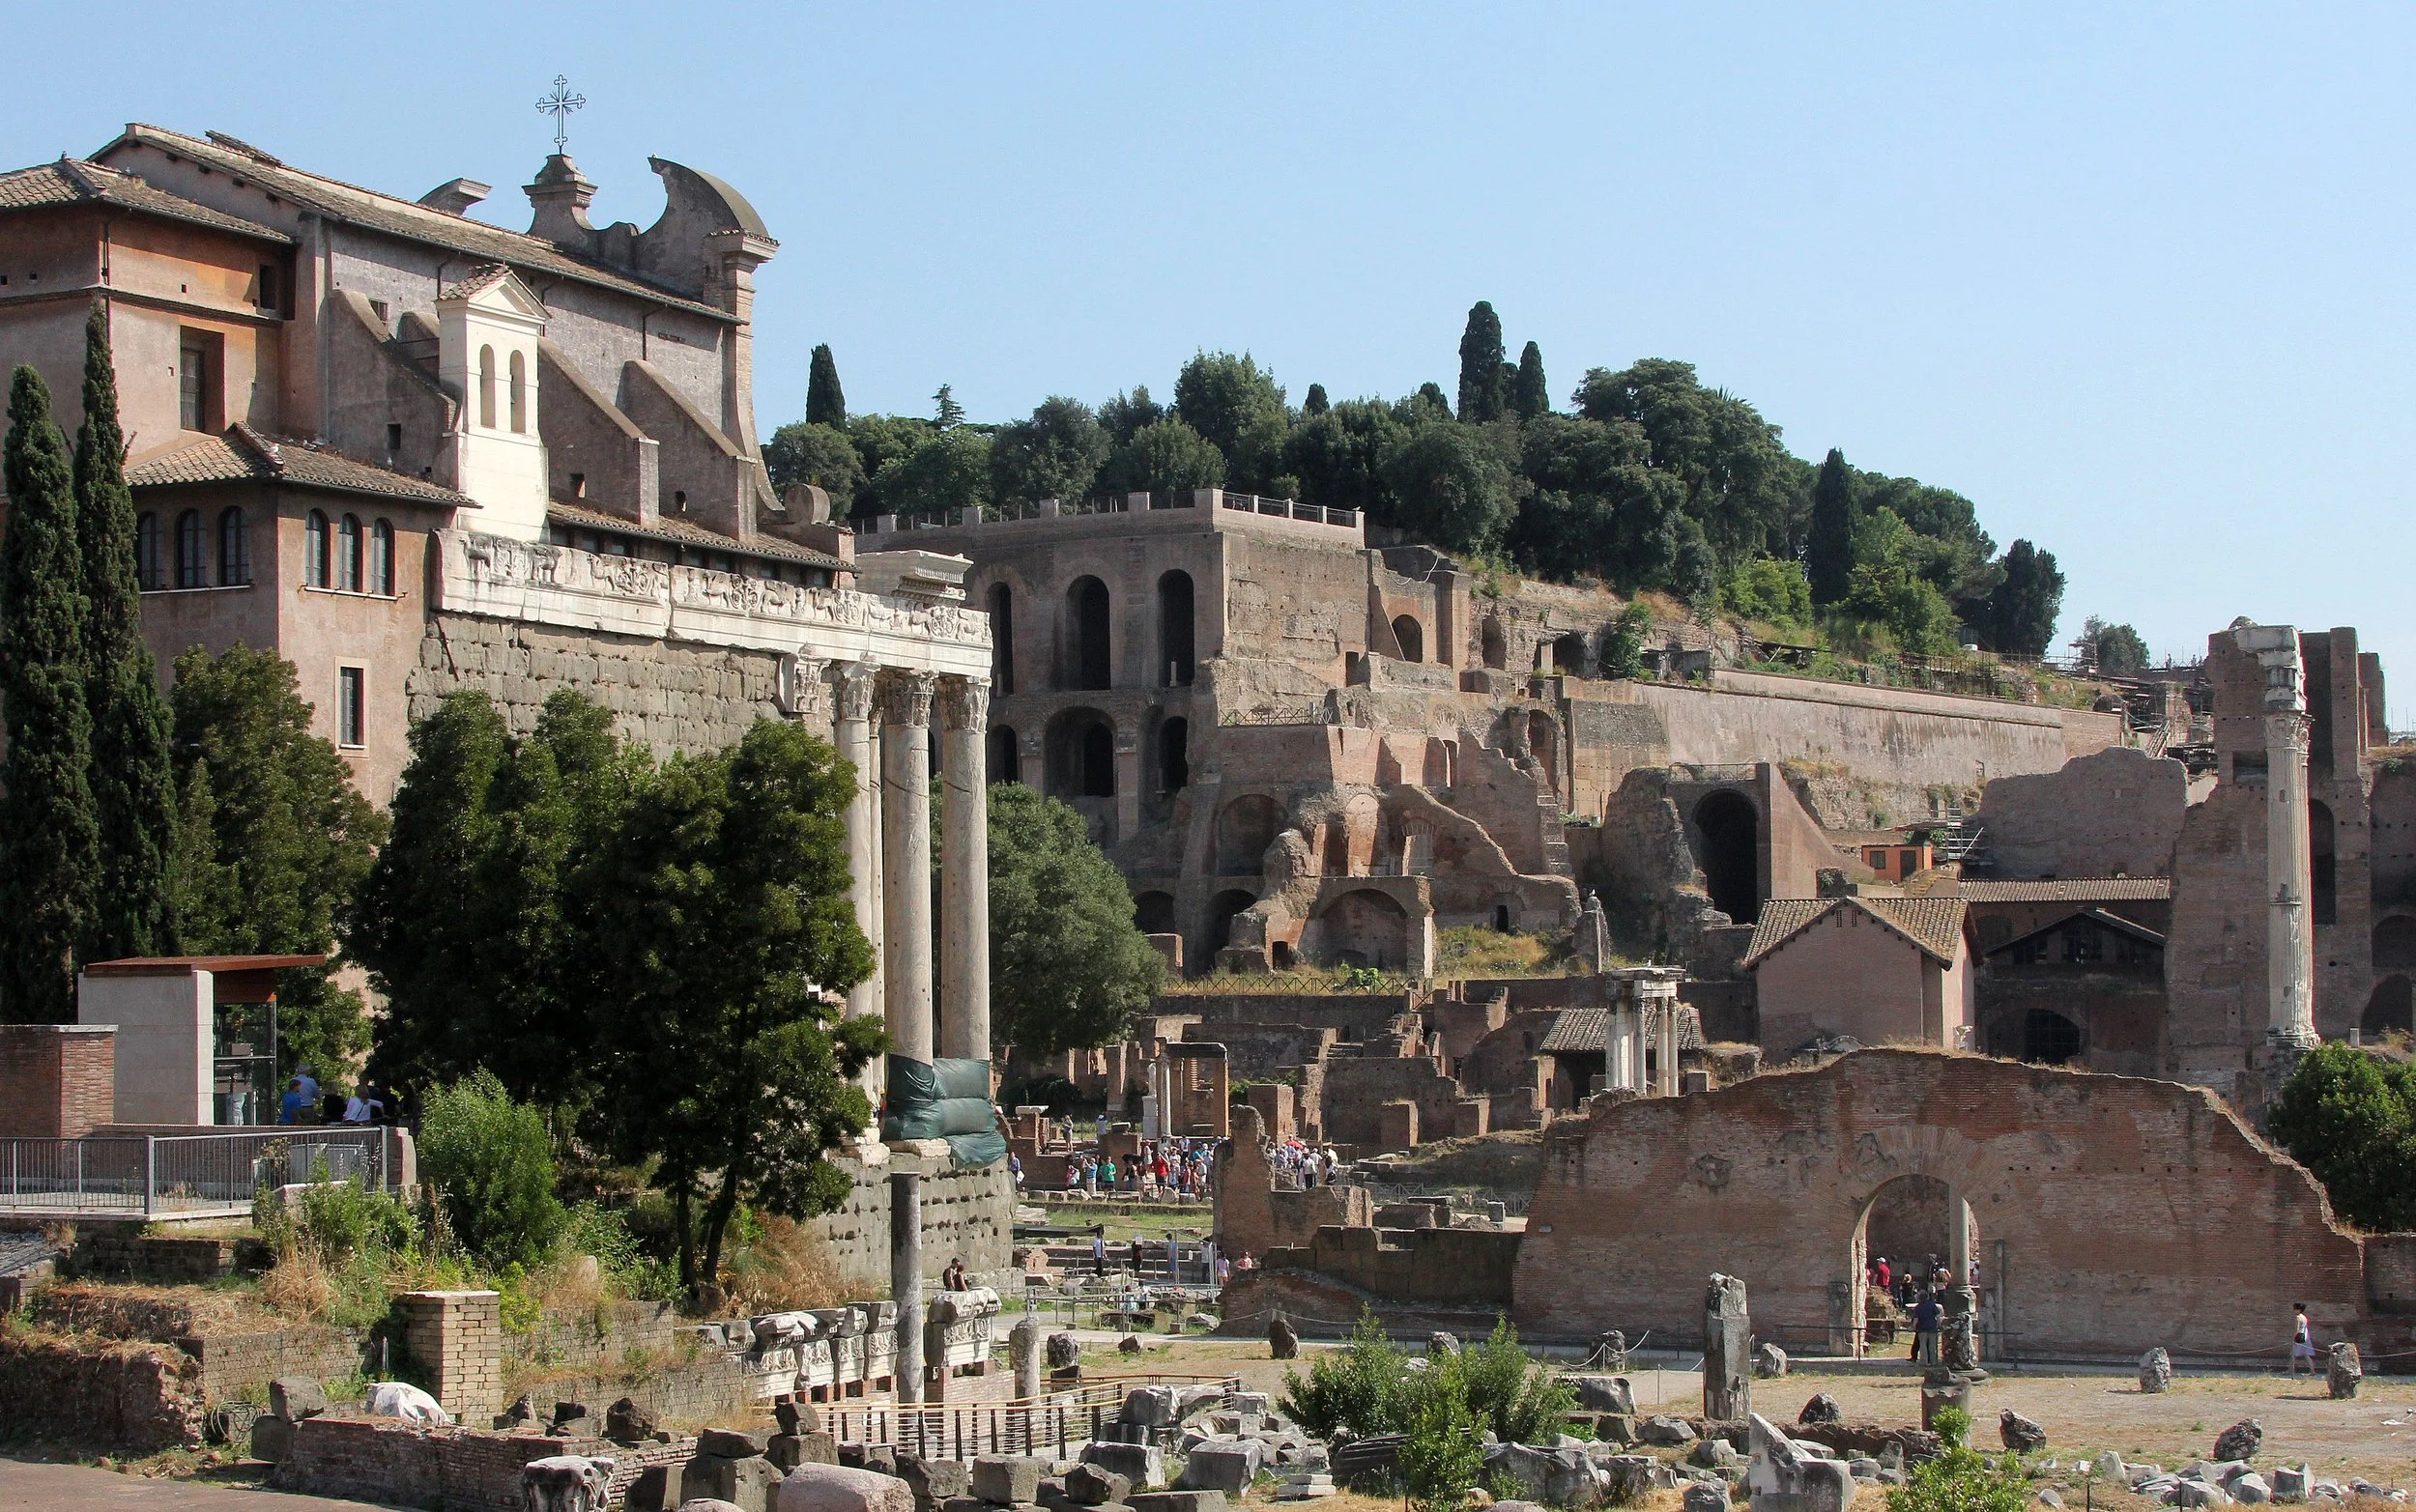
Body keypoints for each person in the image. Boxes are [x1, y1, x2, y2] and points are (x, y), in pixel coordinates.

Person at [1910, 1291, 1942, 1365]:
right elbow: (1938, 1317)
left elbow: (1916, 1319)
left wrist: (1912, 1327)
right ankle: (1933, 1361)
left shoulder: (1918, 1307)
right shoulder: (1932, 1305)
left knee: (1923, 1346)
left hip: (1922, 1328)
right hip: (1932, 1328)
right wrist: (1939, 1325)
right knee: (1932, 1346)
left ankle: (1924, 1361)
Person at [2291, 1302, 2317, 1376]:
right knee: (2306, 1354)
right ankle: (2312, 1370)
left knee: (2293, 1354)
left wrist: (2293, 1337)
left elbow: (2297, 1329)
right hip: (2305, 1336)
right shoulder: (2304, 1317)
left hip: (2299, 1336)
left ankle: (2290, 1371)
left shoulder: (2298, 1317)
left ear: (2298, 1310)